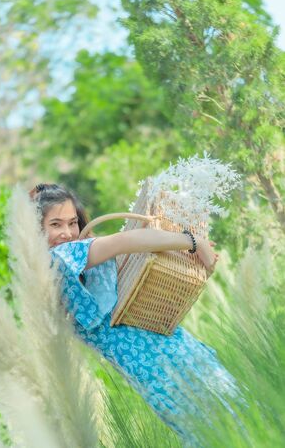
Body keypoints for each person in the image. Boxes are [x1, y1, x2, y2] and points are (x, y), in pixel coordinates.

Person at [29, 183, 241, 446]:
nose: (68, 233)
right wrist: (193, 242)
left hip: (158, 362)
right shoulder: (58, 261)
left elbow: (122, 245)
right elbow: (123, 241)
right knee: (226, 421)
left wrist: (193, 242)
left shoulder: (59, 263)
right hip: (159, 362)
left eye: (72, 223)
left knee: (213, 428)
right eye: (56, 225)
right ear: (34, 229)